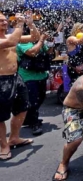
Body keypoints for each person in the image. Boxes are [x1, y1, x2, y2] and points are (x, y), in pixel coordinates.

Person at [0, 12, 40, 161]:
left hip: (15, 77)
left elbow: (34, 38)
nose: (4, 22)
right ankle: (4, 145)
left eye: (5, 20)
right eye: (1, 21)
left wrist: (31, 24)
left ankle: (14, 138)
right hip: (1, 81)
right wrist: (20, 24)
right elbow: (11, 42)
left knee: (23, 108)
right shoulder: (10, 38)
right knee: (0, 116)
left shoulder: (11, 36)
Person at [17, 28, 52, 136]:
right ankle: (34, 123)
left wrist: (50, 42)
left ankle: (28, 118)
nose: (39, 33)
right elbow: (32, 52)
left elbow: (48, 51)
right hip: (28, 77)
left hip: (41, 75)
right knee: (33, 100)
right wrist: (41, 40)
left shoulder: (37, 41)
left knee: (41, 98)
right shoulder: (22, 42)